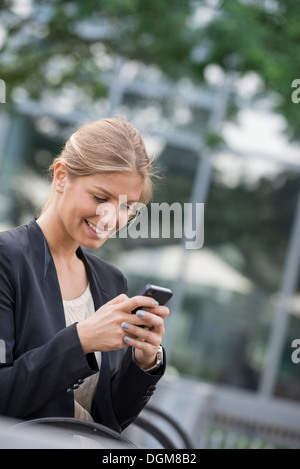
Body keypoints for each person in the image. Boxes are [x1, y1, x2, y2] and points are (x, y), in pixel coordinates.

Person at [0, 117, 169, 433]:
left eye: (126, 206)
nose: (110, 217)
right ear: (62, 176)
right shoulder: (7, 260)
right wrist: (81, 341)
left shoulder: (110, 282)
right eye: (100, 197)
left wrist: (144, 363)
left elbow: (108, 418)